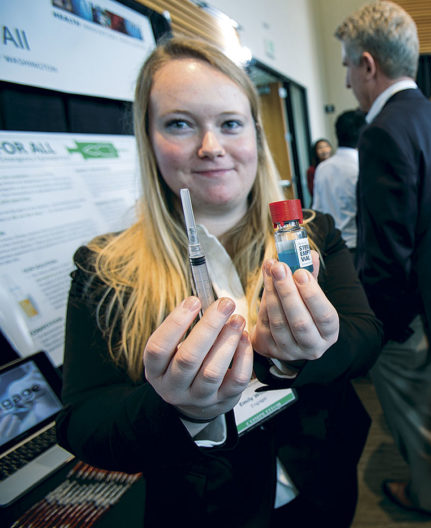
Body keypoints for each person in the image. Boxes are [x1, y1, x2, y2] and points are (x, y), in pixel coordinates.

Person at [55, 36, 382, 528]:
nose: (211, 148)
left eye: (229, 123)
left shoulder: (309, 232)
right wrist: (176, 406)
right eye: (180, 124)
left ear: (255, 134)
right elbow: (82, 422)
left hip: (320, 480)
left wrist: (295, 356)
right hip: (200, 507)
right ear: (148, 138)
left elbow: (365, 333)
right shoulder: (104, 268)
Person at [335, 1, 431, 517]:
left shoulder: (382, 132)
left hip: (406, 313)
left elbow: (387, 251)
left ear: (369, 64)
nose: (349, 80)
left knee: (413, 414)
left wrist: (382, 327)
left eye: (349, 65)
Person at [312, 109, 367, 254]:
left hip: (329, 246)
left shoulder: (322, 168)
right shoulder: (361, 167)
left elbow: (316, 207)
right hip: (356, 245)